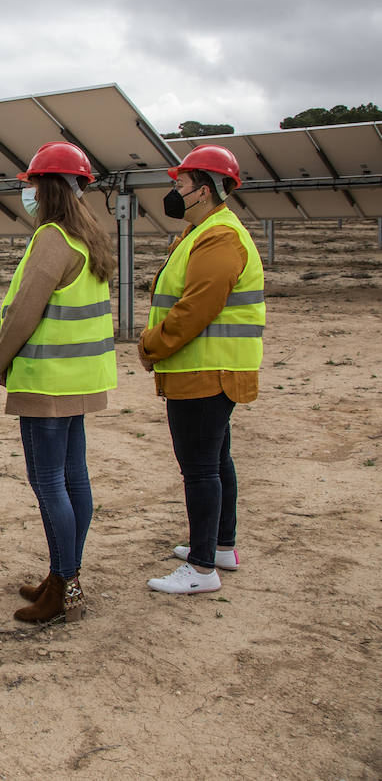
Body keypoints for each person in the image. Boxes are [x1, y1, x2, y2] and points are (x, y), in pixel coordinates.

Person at [0, 143, 116, 623]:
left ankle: (64, 584)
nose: (28, 193)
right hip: (80, 378)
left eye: (31, 184)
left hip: (47, 381)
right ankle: (63, 574)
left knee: (48, 482)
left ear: (47, 188)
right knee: (73, 478)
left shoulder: (52, 240)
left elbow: (24, 312)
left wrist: (0, 361)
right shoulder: (88, 237)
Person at [139, 144, 264, 595]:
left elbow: (196, 308)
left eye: (182, 184)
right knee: (215, 461)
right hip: (210, 369)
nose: (175, 190)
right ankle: (221, 546)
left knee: (199, 469)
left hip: (207, 370)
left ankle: (201, 566)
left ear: (204, 190)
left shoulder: (220, 236)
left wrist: (152, 345)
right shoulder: (204, 230)